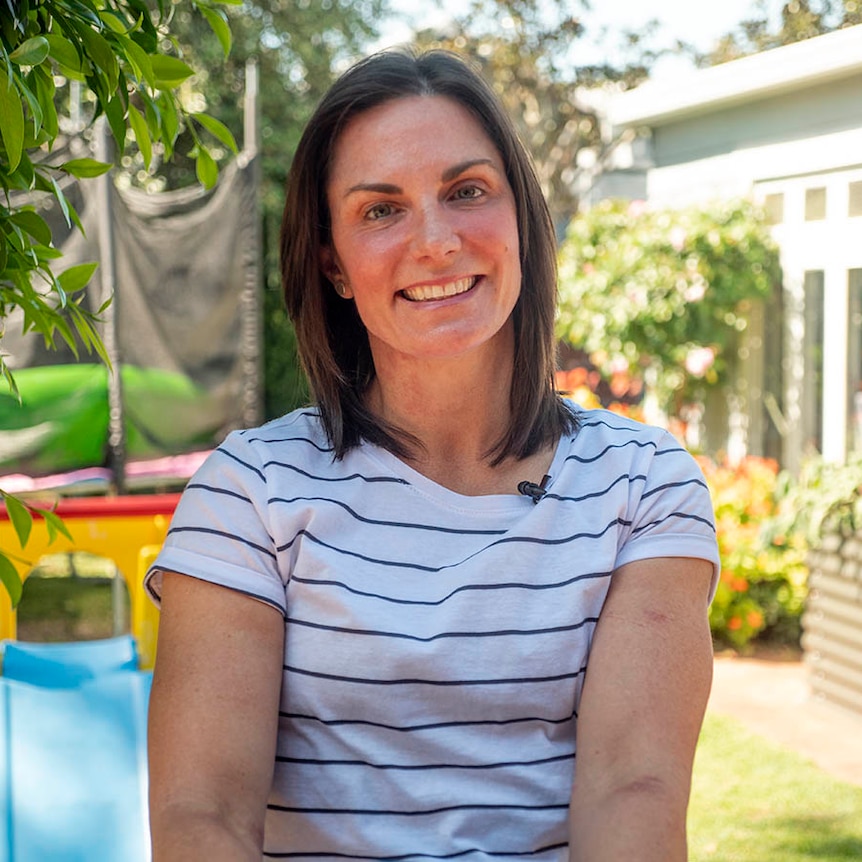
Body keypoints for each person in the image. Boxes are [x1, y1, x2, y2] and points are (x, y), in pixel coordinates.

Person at [145, 48, 720, 862]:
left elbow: (636, 791)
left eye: (466, 191)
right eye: (381, 210)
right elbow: (201, 819)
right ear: (331, 264)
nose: (437, 241)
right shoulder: (248, 494)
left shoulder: (644, 485)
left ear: (520, 214)